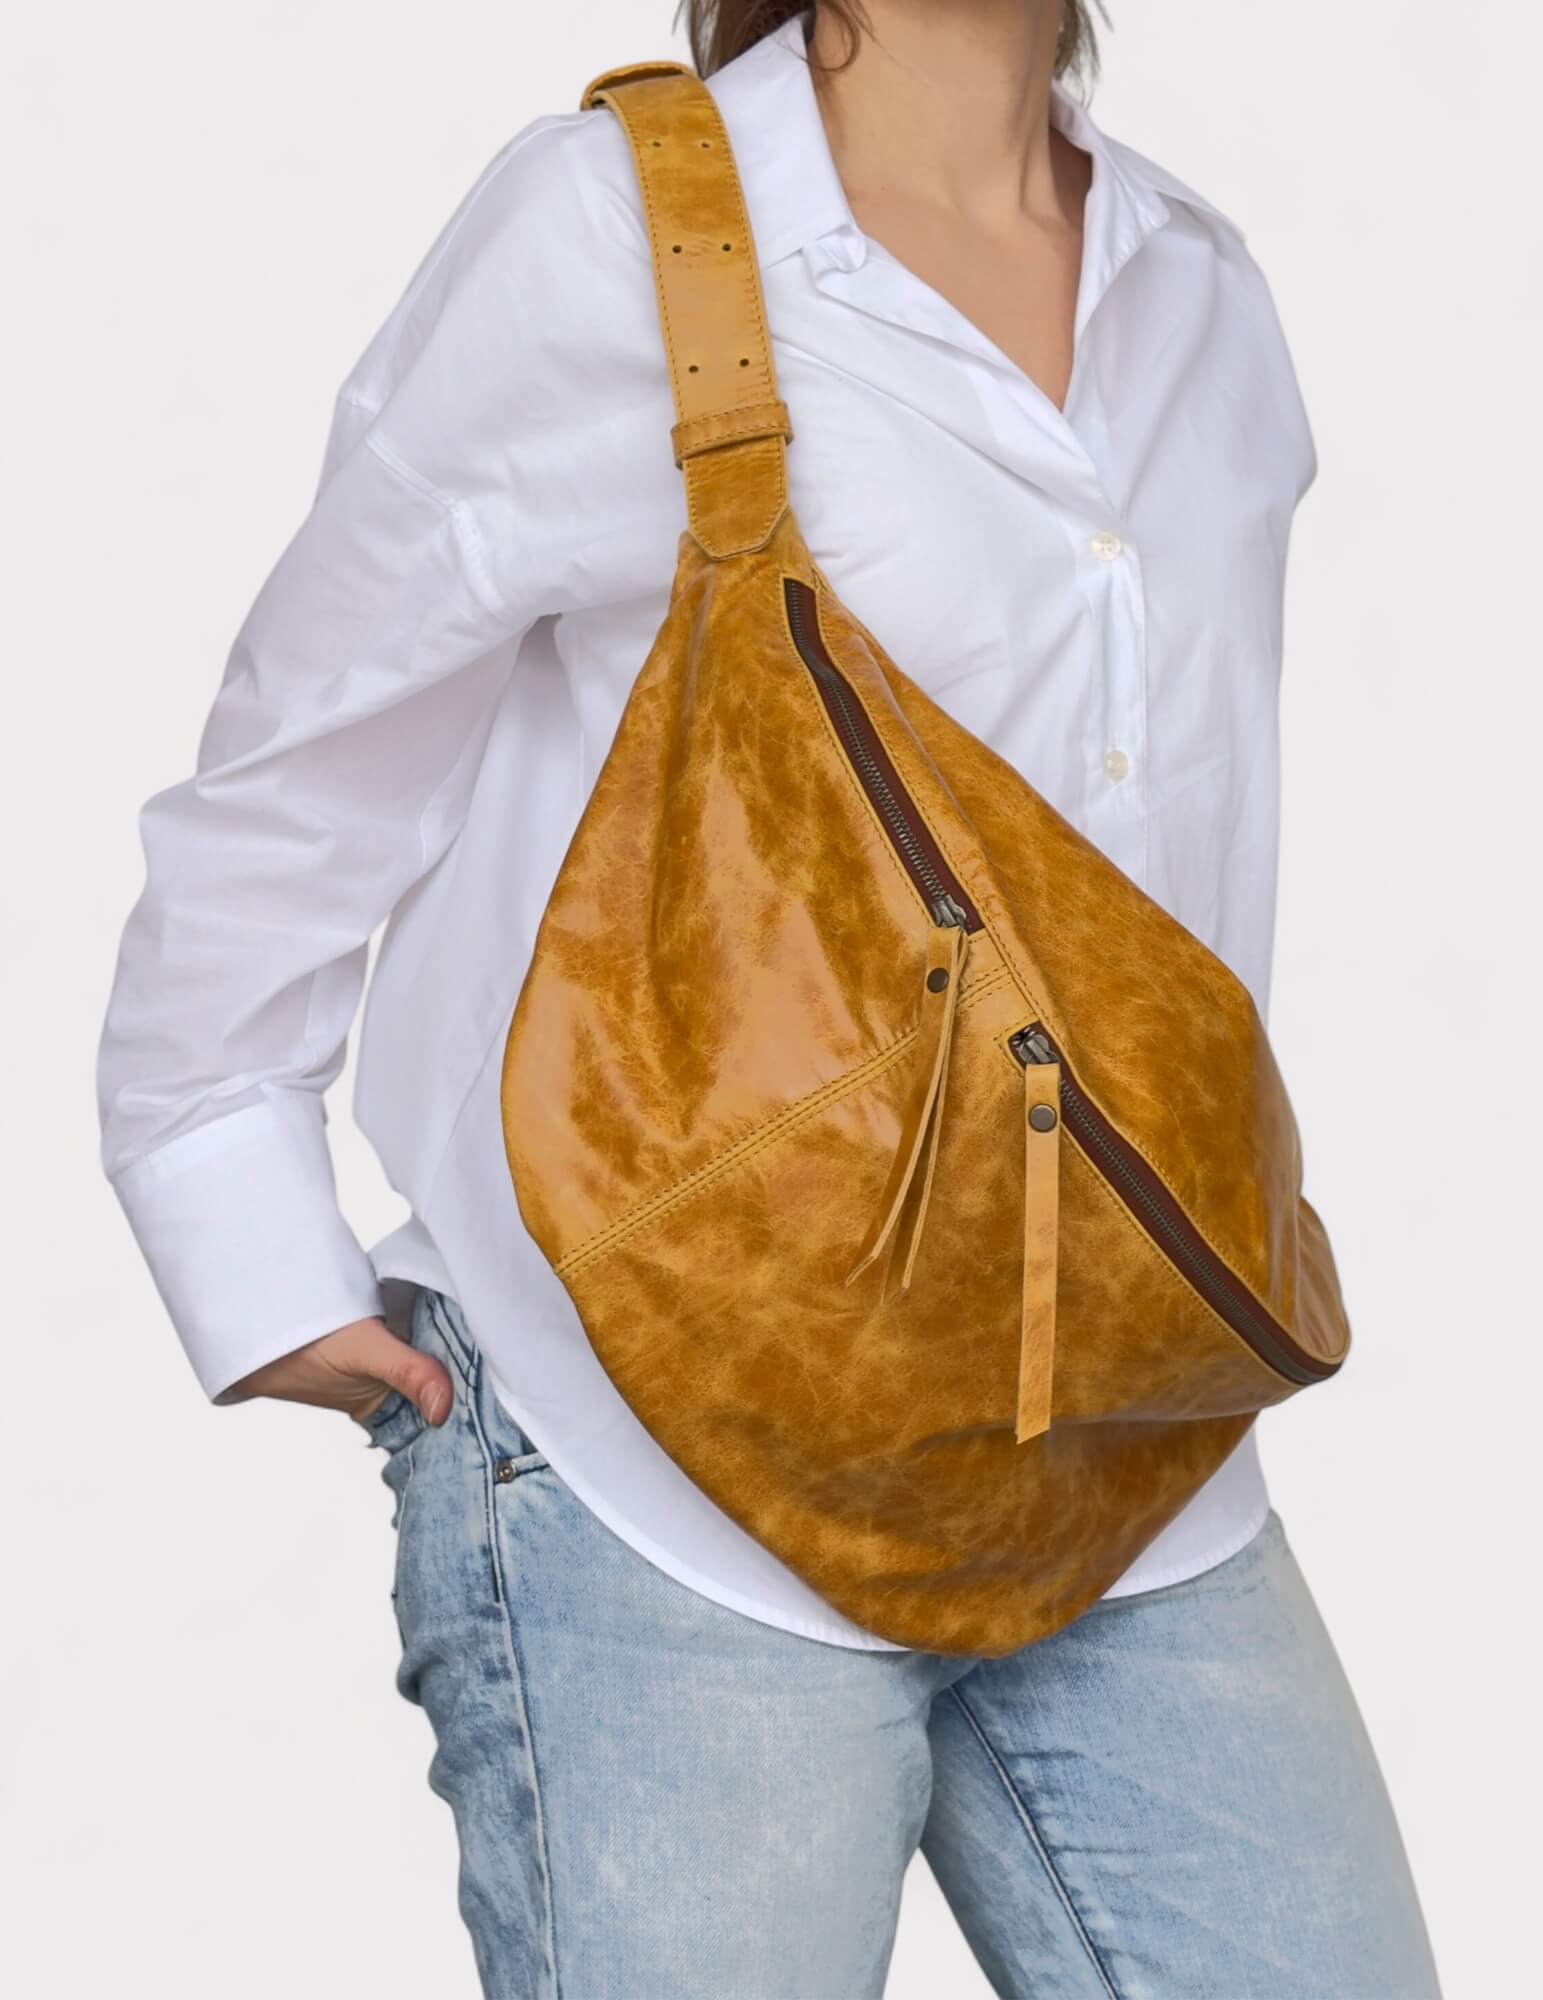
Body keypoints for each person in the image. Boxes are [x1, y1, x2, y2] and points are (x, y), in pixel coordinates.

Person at [95, 4, 1441, 1994]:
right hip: (663, 1457)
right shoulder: (611, 235)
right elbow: (313, 741)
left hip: (1123, 1443)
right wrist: (238, 1212)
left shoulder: (1197, 290)